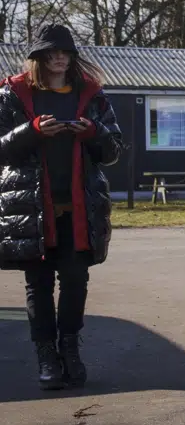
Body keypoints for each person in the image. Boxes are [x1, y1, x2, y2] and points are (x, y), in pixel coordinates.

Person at [0, 24, 122, 390]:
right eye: (51, 52)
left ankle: (70, 349)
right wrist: (32, 130)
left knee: (74, 281)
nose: (58, 58)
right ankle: (46, 355)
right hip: (31, 209)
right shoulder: (14, 93)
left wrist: (92, 132)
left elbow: (113, 149)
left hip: (77, 208)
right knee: (37, 286)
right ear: (37, 57)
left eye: (65, 52)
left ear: (72, 57)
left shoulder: (91, 94)